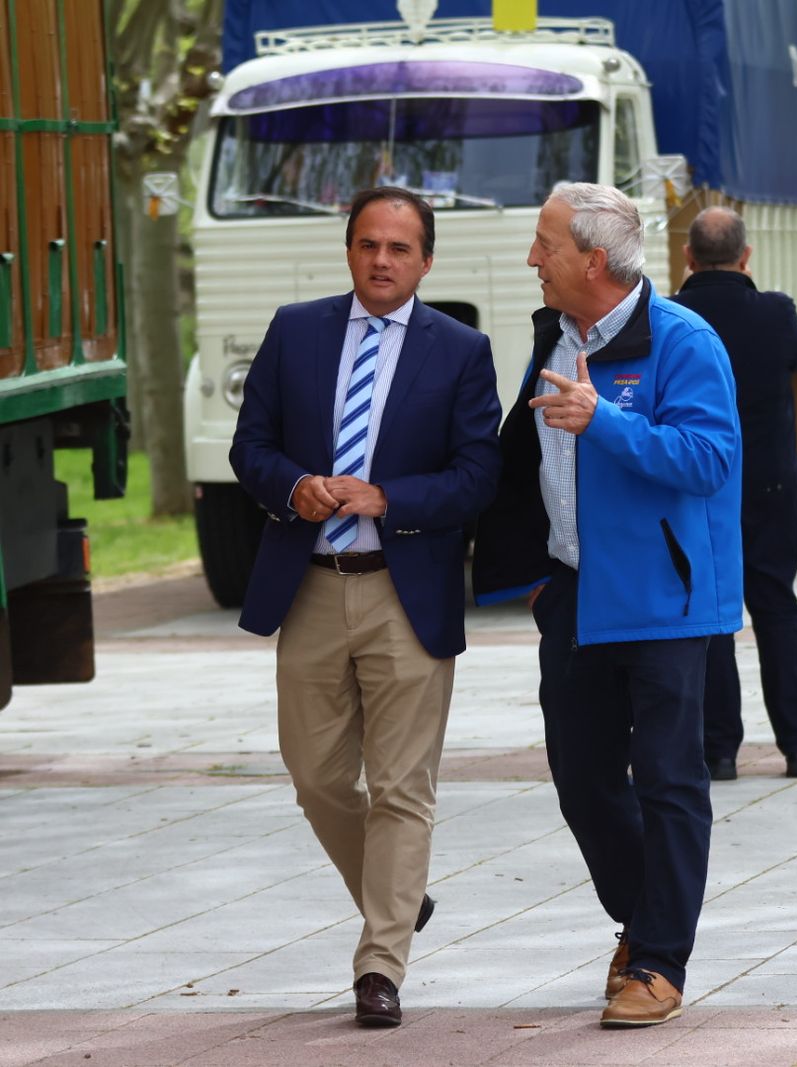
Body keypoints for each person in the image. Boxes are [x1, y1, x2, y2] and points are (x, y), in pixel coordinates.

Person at [229, 187, 503, 1027]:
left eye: (399, 248)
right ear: (348, 251)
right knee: (315, 776)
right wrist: (295, 486)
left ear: (426, 260)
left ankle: (381, 963)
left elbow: (478, 476)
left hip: (403, 589)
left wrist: (390, 496)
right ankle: (399, 889)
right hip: (308, 584)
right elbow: (252, 448)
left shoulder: (460, 350)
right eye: (367, 245)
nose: (381, 260)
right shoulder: (295, 330)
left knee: (401, 787)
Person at [472, 182, 742, 1028]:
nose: (530, 260)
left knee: (668, 781)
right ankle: (644, 913)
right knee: (583, 780)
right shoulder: (551, 335)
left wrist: (606, 422)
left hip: (666, 600)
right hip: (575, 595)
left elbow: (709, 460)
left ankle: (659, 958)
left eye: (544, 244)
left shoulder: (684, 340)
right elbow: (532, 461)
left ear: (593, 259)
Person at [670, 206, 797, 782]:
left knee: (714, 618)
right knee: (778, 610)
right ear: (746, 255)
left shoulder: (674, 317)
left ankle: (719, 750)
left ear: (688, 256)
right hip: (772, 485)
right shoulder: (775, 311)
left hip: (705, 491)